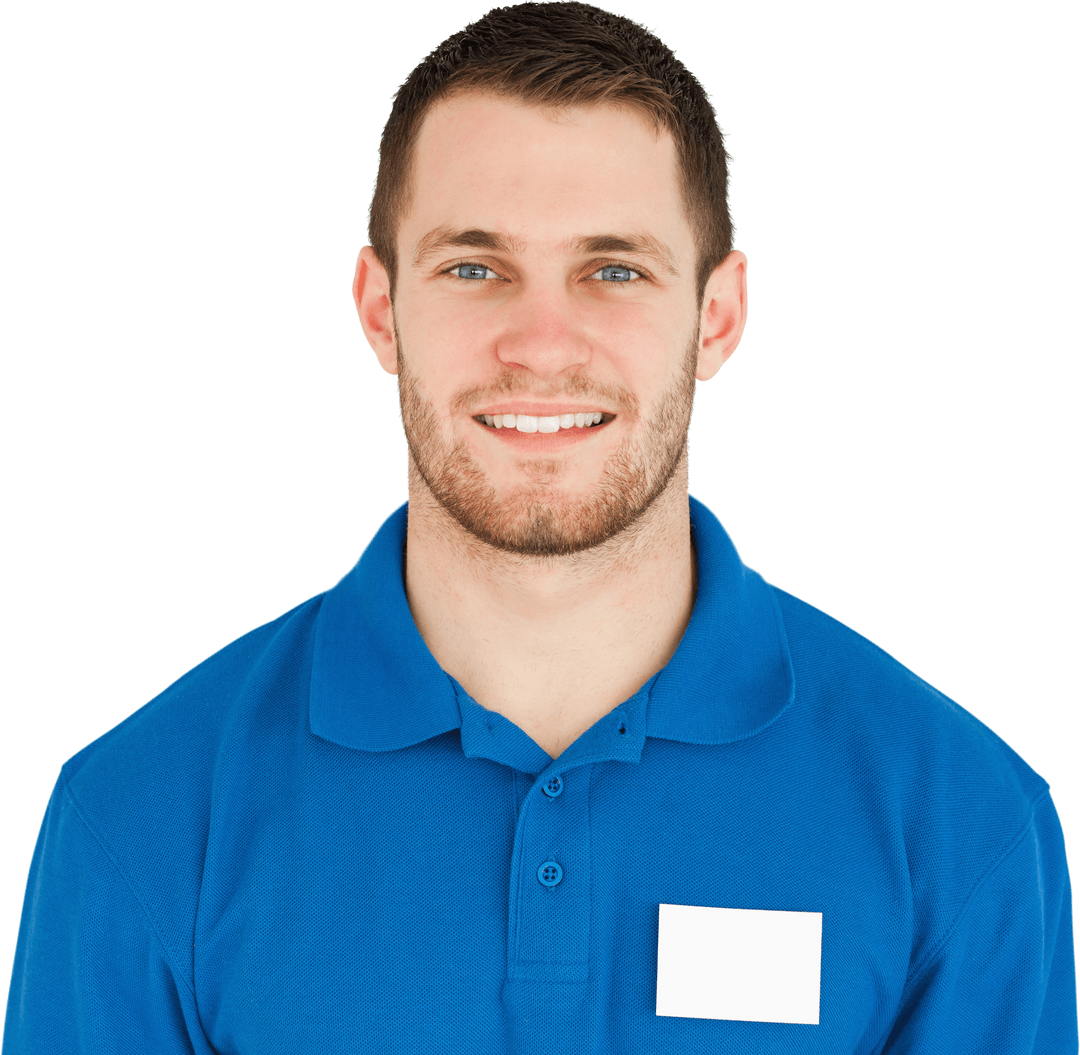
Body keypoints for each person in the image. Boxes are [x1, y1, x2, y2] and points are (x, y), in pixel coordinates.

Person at [3, 1, 1076, 1050]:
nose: (540, 341)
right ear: (381, 309)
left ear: (718, 314)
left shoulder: (964, 826)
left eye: (614, 269)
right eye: (476, 267)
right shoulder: (138, 818)